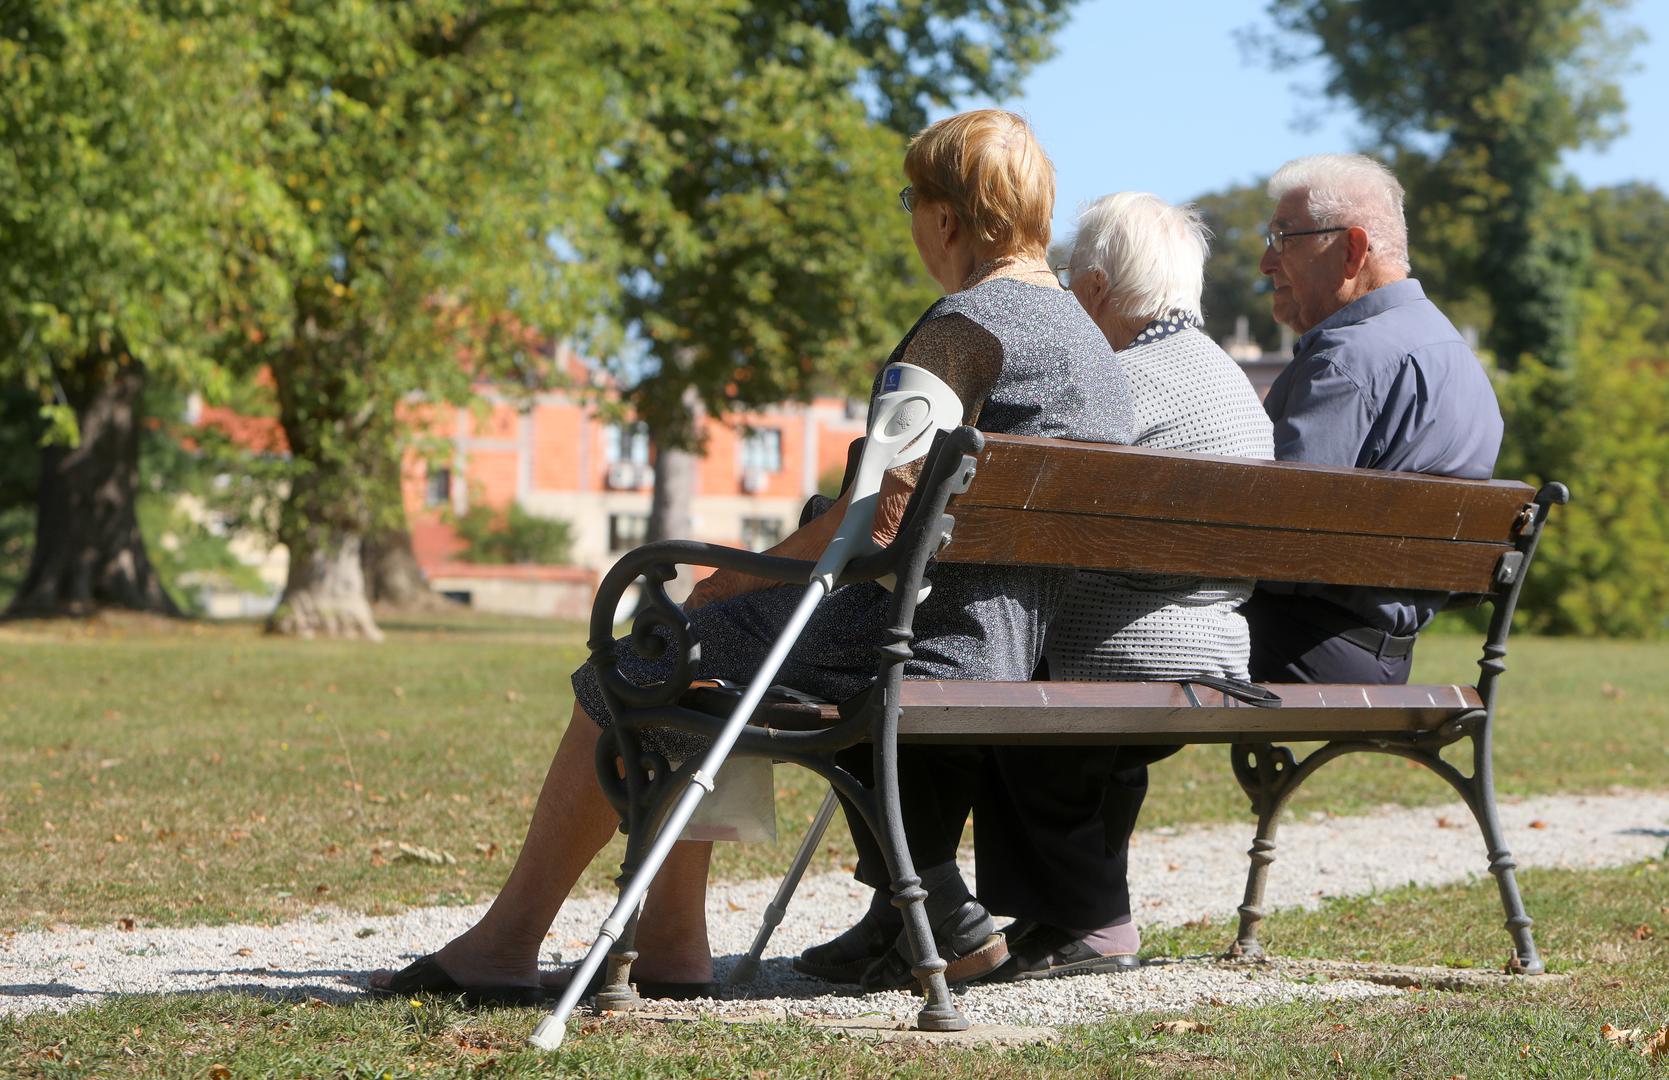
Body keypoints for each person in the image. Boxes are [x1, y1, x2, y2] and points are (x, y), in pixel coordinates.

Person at [372, 108, 1133, 1004]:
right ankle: (671, 944)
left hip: (905, 644)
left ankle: (507, 943)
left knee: (645, 660)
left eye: (910, 201)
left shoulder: (962, 328)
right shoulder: (1093, 347)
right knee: (708, 654)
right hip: (1006, 654)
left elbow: (877, 521)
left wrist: (736, 572)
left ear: (948, 218)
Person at [799, 193, 1276, 984]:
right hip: (1215, 648)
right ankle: (902, 914)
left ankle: (921, 912)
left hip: (1114, 647)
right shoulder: (1230, 384)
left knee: (930, 665)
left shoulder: (1118, 384)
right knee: (954, 666)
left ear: (1091, 289)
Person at [1243, 153, 1503, 685]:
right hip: (1383, 653)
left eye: (1282, 239)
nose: (1267, 264)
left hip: (1302, 645)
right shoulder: (1452, 352)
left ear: (1352, 249)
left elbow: (1270, 539)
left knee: (1107, 636)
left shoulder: (1344, 361)